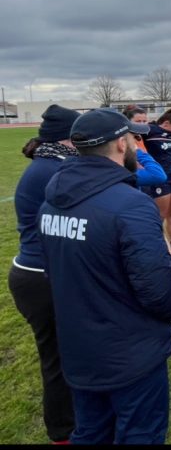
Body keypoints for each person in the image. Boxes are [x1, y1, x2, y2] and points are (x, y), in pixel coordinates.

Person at [38, 109, 171, 444]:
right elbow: (156, 288)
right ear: (121, 143)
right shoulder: (130, 204)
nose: (136, 143)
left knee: (91, 432)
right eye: (133, 137)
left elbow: (54, 270)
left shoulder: (51, 204)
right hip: (130, 352)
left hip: (79, 347)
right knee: (139, 433)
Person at [8, 105, 80, 444]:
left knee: (64, 354)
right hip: (43, 276)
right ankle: (64, 431)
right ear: (69, 138)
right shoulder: (55, 169)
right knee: (59, 358)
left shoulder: (51, 163)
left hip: (38, 273)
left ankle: (73, 422)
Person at [143, 109, 171, 254]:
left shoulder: (169, 135)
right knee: (160, 216)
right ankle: (160, 246)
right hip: (159, 178)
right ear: (166, 123)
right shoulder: (149, 130)